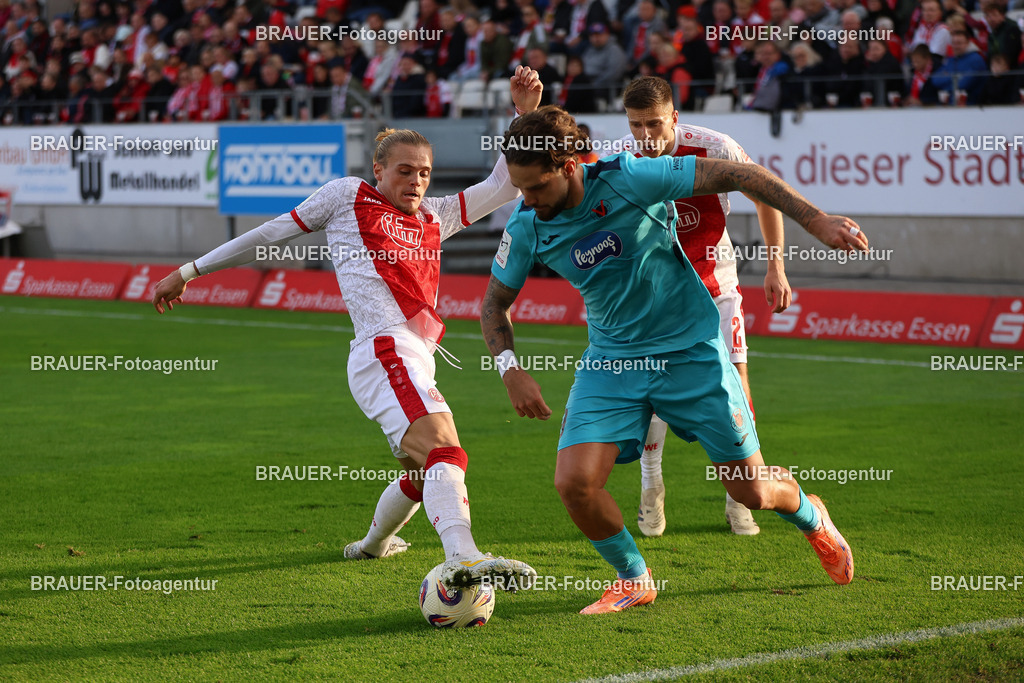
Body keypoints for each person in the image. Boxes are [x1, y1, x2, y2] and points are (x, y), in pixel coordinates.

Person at [151, 67, 545, 593]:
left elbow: (501, 184)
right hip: (384, 350)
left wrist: (523, 115)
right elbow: (272, 233)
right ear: (378, 169)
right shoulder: (348, 196)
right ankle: (464, 556)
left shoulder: (437, 215)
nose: (416, 181)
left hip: (412, 356)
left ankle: (373, 545)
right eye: (405, 171)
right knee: (448, 451)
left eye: (424, 172)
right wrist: (188, 271)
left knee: (419, 467)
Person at [480, 105, 866, 613]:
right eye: (520, 189)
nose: (526, 201)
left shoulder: (632, 178)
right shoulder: (529, 226)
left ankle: (812, 516)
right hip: (612, 363)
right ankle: (634, 578)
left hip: (690, 353)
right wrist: (511, 371)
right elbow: (492, 305)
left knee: (752, 492)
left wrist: (815, 219)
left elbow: (740, 174)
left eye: (535, 188)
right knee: (574, 484)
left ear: (570, 165)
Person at [618, 76, 790, 537]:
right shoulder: (621, 158)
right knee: (655, 388)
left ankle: (740, 496)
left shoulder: (715, 147)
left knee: (736, 385)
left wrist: (776, 267)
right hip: (655, 295)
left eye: (654, 123)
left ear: (674, 117)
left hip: (717, 288)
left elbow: (767, 194)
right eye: (636, 125)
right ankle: (650, 487)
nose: (645, 136)